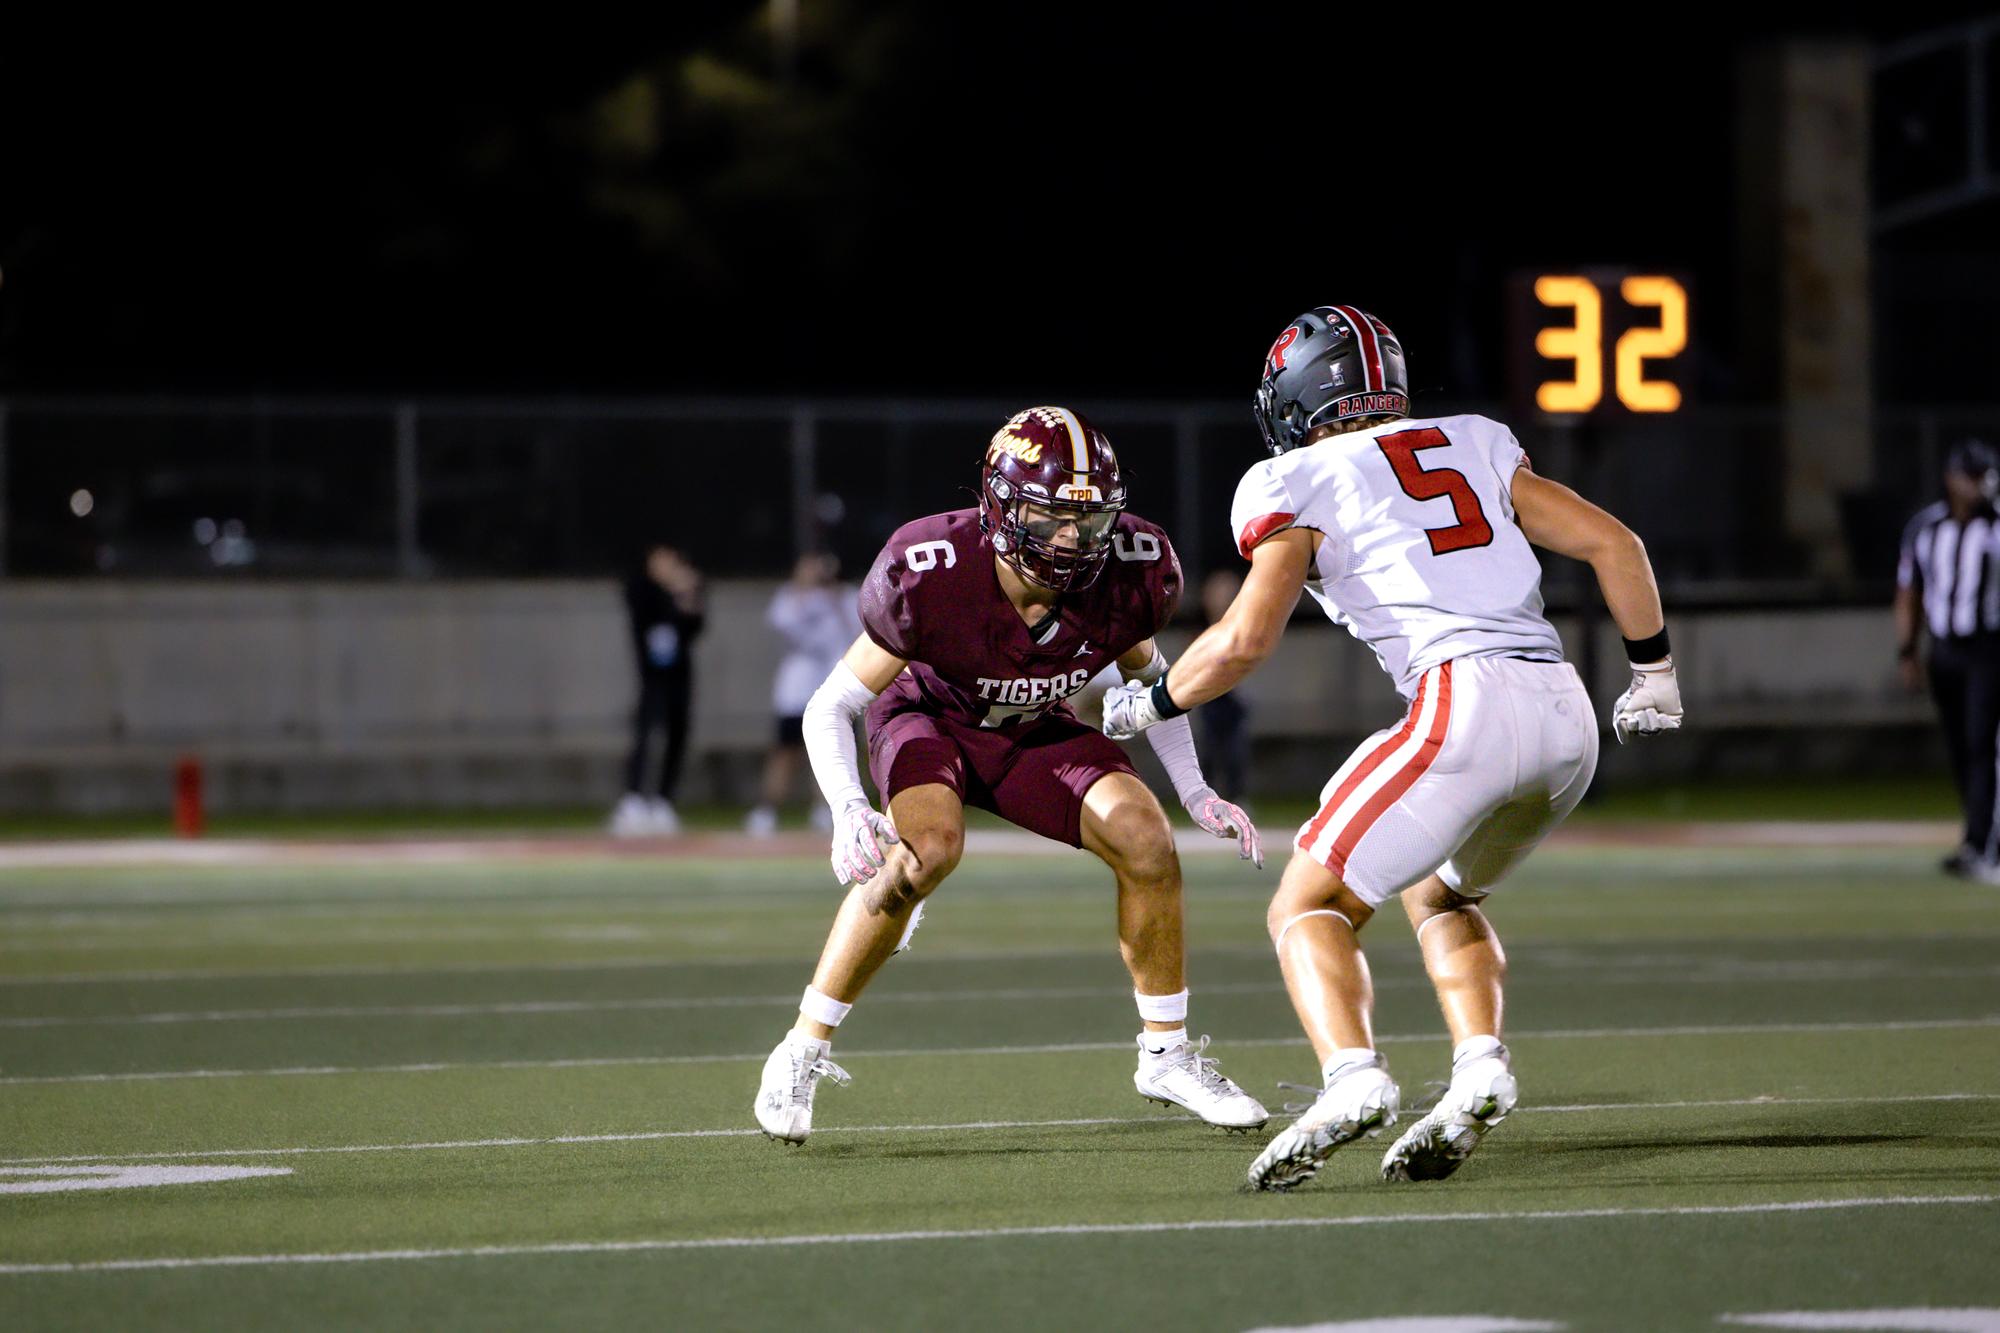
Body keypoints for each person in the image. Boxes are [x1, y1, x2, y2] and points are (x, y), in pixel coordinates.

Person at [1103, 306, 1682, 1190]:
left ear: (1297, 398)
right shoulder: (1476, 438)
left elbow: (1245, 640)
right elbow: (1616, 543)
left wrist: (1148, 701)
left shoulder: (1294, 477)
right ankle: (1481, 1066)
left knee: (1306, 905)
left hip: (1462, 700)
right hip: (1564, 715)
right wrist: (1655, 674)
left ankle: (1353, 1077)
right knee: (1443, 894)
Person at [753, 406, 1269, 1144]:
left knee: (1147, 839)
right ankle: (802, 1047)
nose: (1072, 539)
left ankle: (1167, 1055)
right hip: (929, 719)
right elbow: (830, 704)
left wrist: (1194, 790)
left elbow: (1156, 681)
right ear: (999, 507)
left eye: (1089, 520)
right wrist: (847, 807)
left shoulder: (1129, 571)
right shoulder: (932, 568)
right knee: (927, 852)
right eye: (1052, 516)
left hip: (1031, 729)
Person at [1895, 438, 2000, 878]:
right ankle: (1977, 836)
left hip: (1989, 649)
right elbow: (1910, 592)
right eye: (1969, 476)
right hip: (1945, 650)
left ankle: (1982, 843)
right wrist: (1907, 649)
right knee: (1960, 746)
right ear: (1951, 479)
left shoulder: (1996, 526)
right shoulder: (1927, 527)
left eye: (1982, 476)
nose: (1977, 485)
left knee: (1981, 743)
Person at [746, 552, 860, 837]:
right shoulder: (791, 596)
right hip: (796, 689)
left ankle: (826, 810)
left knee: (836, 752)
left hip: (837, 687)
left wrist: (834, 594)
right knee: (786, 751)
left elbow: (859, 631)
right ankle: (766, 811)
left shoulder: (847, 596)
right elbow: (782, 623)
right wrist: (803, 585)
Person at [611, 545, 704, 837]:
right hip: (652, 678)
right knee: (645, 736)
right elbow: (643, 612)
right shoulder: (642, 590)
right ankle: (633, 799)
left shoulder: (684, 590)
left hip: (679, 677)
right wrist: (670, 591)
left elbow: (694, 626)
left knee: (677, 734)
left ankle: (663, 801)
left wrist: (686, 595)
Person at [1195, 569, 1252, 802]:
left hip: (1233, 699)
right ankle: (1205, 800)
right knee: (1208, 752)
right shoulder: (1204, 629)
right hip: (1210, 699)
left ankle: (1237, 797)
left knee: (1235, 753)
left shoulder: (1242, 627)